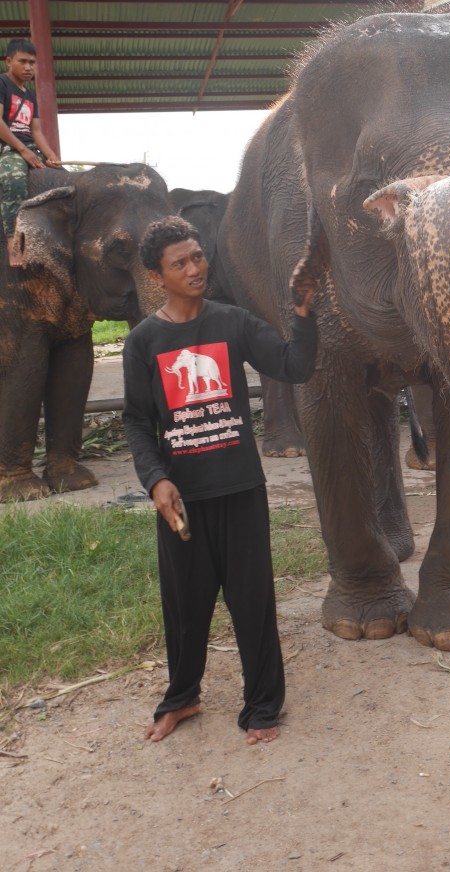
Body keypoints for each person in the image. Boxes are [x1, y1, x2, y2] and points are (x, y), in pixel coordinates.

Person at [122, 216, 317, 745]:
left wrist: (303, 312)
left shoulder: (233, 323)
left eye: (198, 257)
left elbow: (293, 365)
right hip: (183, 496)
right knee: (185, 605)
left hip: (239, 488)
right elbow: (138, 421)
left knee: (252, 601)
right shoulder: (144, 342)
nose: (194, 269)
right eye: (180, 263)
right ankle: (182, 698)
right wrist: (156, 479)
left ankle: (262, 705)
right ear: (157, 276)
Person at [0, 38, 61, 265]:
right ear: (8, 61)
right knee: (14, 180)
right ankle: (14, 243)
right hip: (8, 149)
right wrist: (23, 150)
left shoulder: (30, 95)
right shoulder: (2, 84)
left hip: (29, 147)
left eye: (32, 63)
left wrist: (51, 156)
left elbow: (36, 131)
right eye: (22, 61)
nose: (28, 67)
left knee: (64, 180)